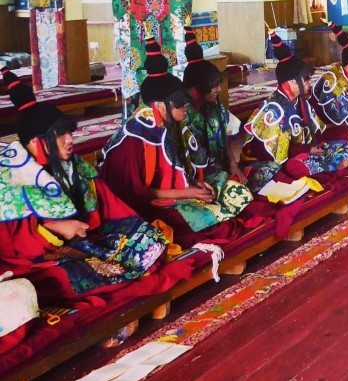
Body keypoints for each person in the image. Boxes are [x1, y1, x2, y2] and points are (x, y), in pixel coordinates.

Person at [0, 71, 174, 306]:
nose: (70, 139)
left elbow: (110, 205)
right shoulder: (11, 180)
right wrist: (53, 228)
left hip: (86, 239)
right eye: (60, 134)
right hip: (42, 255)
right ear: (35, 142)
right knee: (69, 276)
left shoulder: (74, 166)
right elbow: (11, 244)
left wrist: (134, 226)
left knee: (148, 240)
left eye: (69, 132)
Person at [101, 39, 253, 242]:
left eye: (186, 101)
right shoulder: (134, 138)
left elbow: (187, 167)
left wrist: (198, 185)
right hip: (145, 206)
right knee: (214, 222)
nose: (186, 107)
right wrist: (187, 193)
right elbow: (136, 194)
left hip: (178, 192)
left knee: (237, 192)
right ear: (160, 106)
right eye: (180, 103)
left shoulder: (176, 125)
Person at [242, 33, 348, 190]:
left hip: (303, 152)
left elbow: (317, 134)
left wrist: (335, 142)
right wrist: (308, 150)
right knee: (301, 168)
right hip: (274, 163)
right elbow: (273, 155)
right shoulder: (274, 110)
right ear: (293, 82)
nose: (310, 83)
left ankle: (324, 173)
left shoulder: (300, 102)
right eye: (307, 79)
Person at [181, 27, 245, 184]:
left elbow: (226, 137)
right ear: (198, 87)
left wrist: (232, 163)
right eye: (214, 86)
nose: (219, 89)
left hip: (221, 169)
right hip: (196, 178)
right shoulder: (182, 115)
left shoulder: (215, 106)